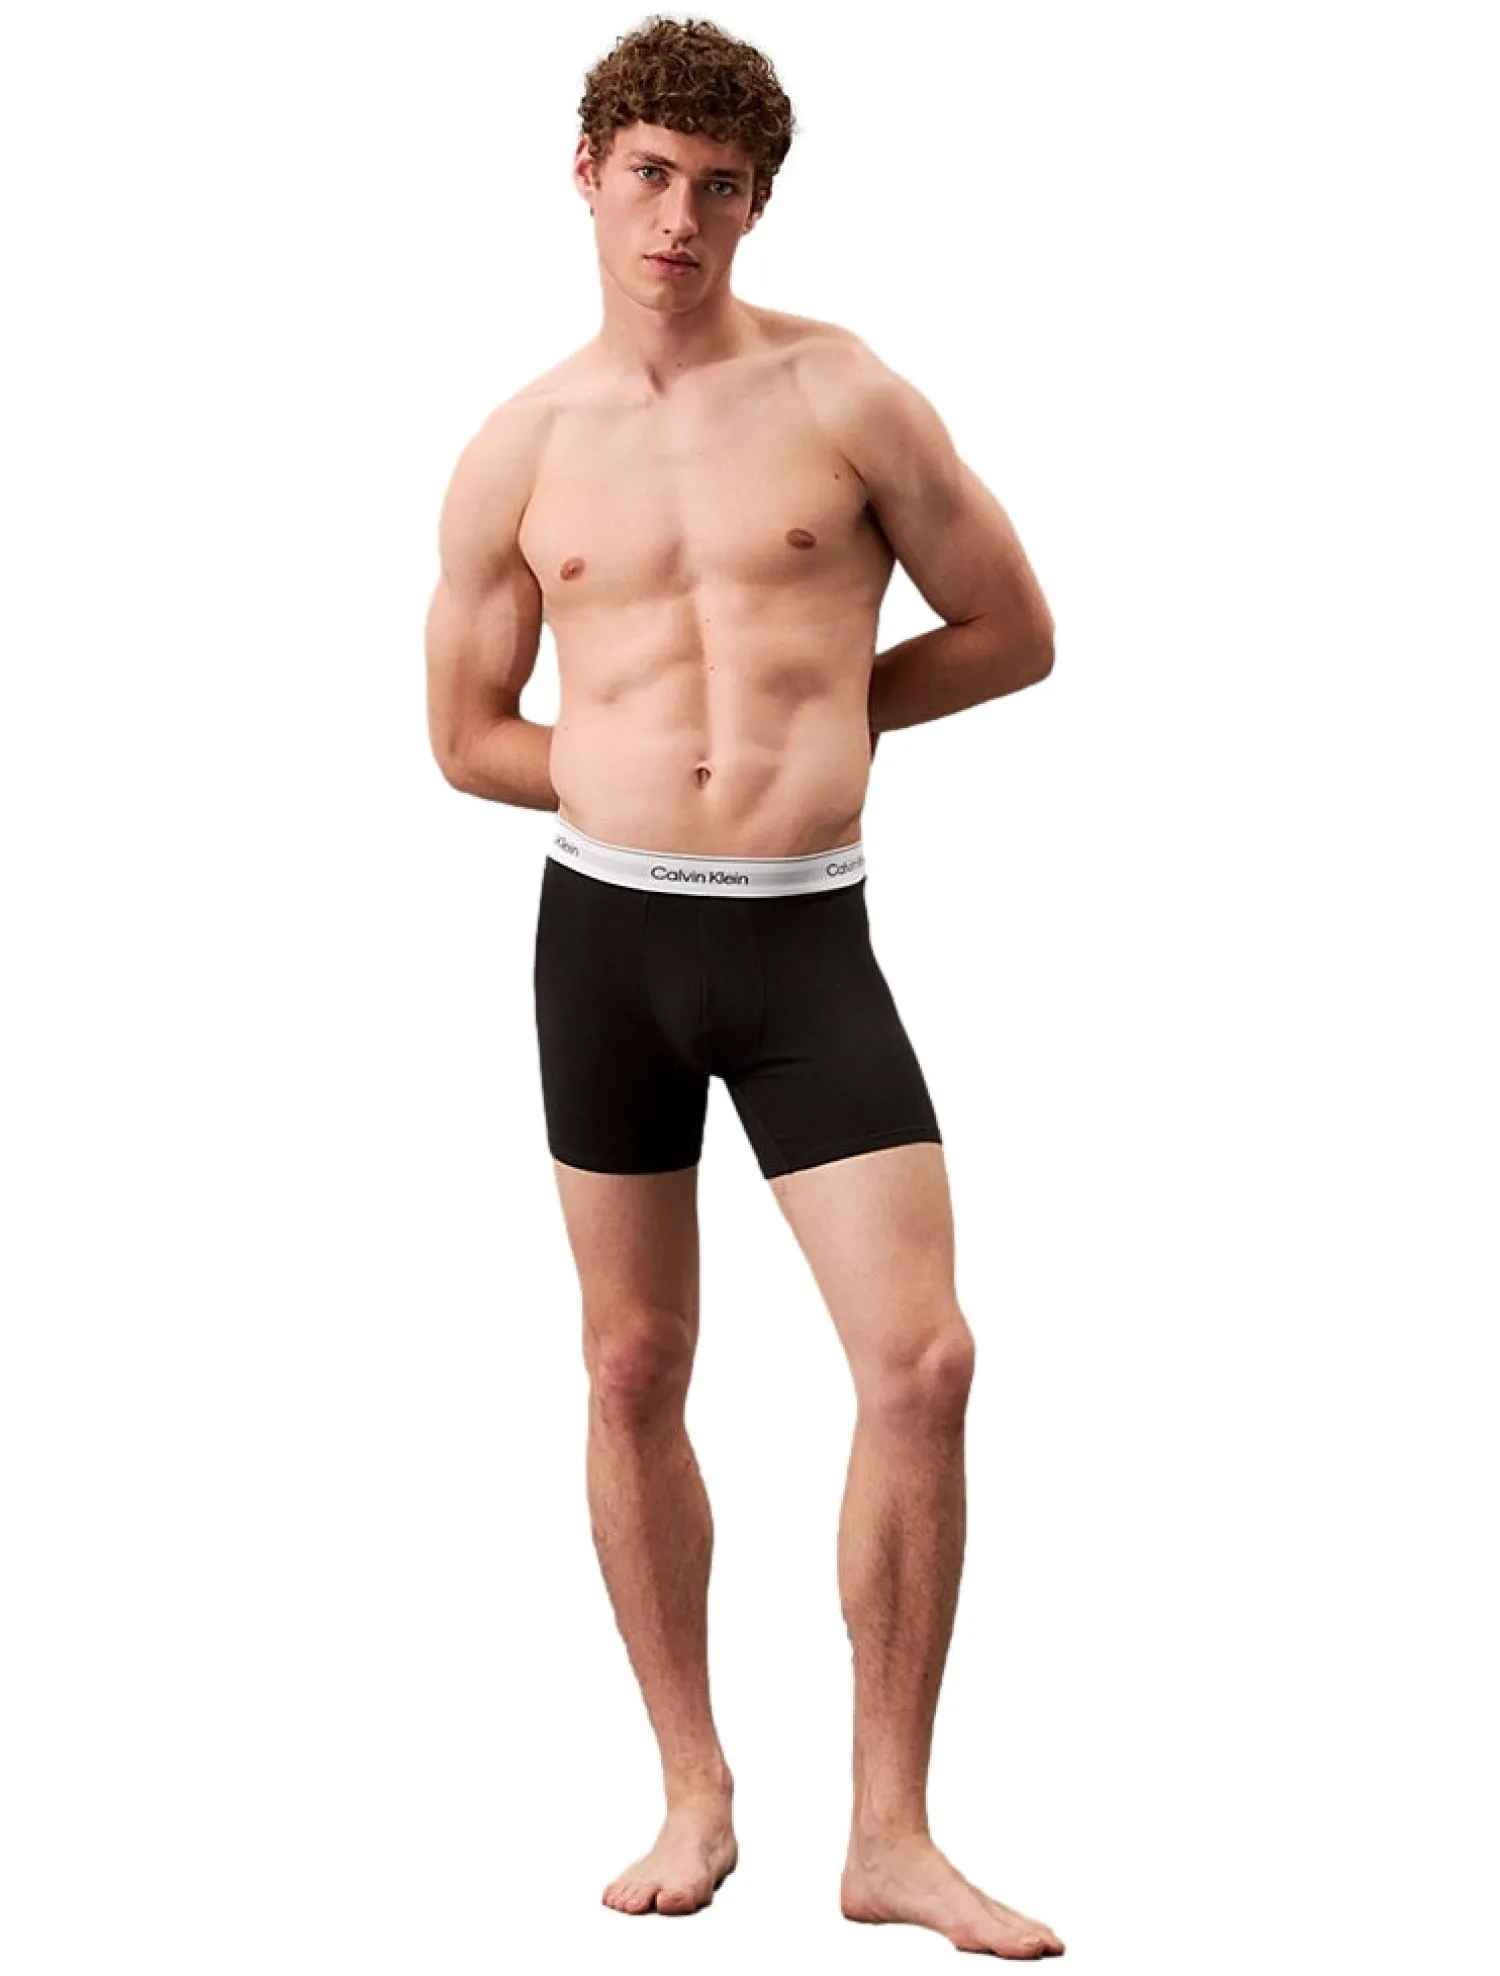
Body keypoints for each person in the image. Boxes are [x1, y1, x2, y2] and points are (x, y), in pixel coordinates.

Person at [424, 14, 1062, 1960]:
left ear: (757, 202)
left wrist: (823, 728)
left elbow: (1012, 628)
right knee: (631, 1364)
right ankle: (693, 1787)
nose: (677, 220)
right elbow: (465, 734)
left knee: (924, 1363)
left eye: (718, 186)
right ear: (587, 175)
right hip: (607, 941)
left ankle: (892, 1834)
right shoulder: (521, 448)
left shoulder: (844, 394)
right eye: (648, 175)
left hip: (801, 942)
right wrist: (628, 769)